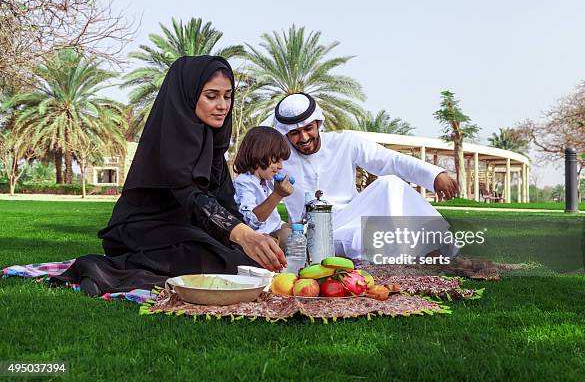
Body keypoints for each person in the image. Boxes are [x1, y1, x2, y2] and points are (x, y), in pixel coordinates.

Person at [51, 56, 286, 296]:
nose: (222, 106)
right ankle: (102, 270)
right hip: (143, 230)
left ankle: (126, 275)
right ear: (188, 94)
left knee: (246, 264)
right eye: (211, 96)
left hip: (184, 229)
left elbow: (225, 202)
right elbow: (191, 195)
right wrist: (244, 235)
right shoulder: (171, 139)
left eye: (227, 96)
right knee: (214, 262)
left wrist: (251, 240)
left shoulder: (212, 144)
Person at [273, 92, 460, 260]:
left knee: (390, 182)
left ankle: (434, 246)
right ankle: (409, 257)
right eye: (295, 133)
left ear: (318, 124)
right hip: (313, 230)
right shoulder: (279, 158)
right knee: (360, 238)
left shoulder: (344, 141)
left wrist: (434, 175)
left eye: (308, 128)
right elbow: (255, 187)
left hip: (351, 214)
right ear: (285, 134)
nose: (304, 137)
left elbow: (390, 161)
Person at [233, 126, 294, 250]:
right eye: (276, 160)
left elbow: (273, 222)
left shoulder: (266, 182)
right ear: (259, 155)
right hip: (259, 239)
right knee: (290, 238)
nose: (280, 166)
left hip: (274, 233)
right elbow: (250, 221)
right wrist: (277, 195)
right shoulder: (244, 182)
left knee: (300, 233)